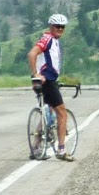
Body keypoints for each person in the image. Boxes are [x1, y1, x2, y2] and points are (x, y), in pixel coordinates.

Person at [28, 13, 73, 160]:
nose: (60, 29)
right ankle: (61, 150)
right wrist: (35, 73)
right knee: (62, 114)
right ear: (51, 26)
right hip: (46, 81)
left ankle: (36, 147)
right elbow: (32, 54)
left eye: (62, 27)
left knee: (48, 113)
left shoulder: (54, 40)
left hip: (47, 81)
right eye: (57, 26)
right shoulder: (47, 39)